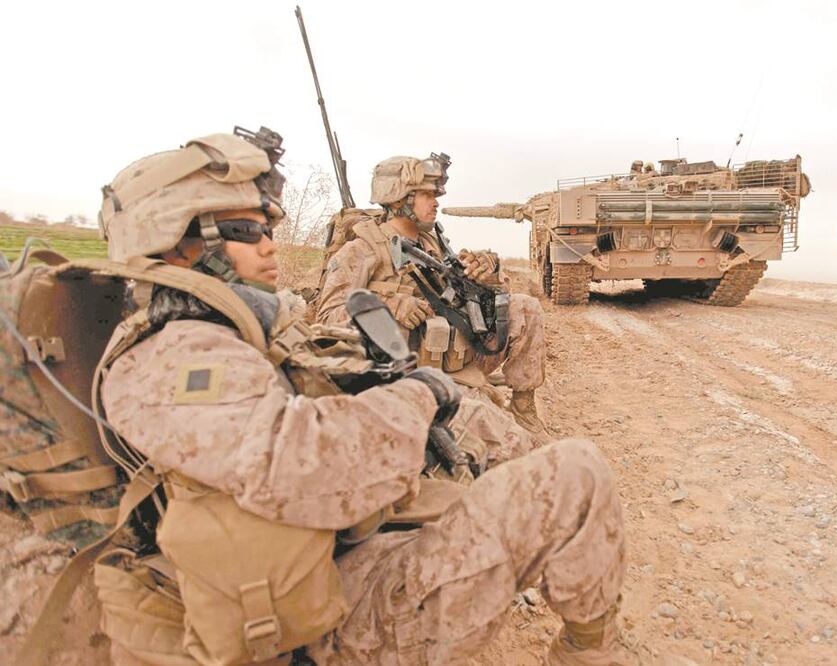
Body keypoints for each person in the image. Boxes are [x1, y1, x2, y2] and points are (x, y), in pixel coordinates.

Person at [90, 129, 630, 666]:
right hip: (325, 617)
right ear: (181, 240)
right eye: (246, 229)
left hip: (327, 550)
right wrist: (412, 392)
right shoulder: (177, 357)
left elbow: (311, 377)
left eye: (268, 227)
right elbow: (310, 461)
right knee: (577, 477)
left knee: (503, 440)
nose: (269, 243)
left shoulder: (219, 329)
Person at [315, 155, 550, 436]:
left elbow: (470, 295)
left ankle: (523, 408)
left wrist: (486, 269)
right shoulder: (362, 249)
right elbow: (327, 321)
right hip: (407, 377)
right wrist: (386, 306)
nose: (436, 201)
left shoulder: (432, 243)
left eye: (436, 194)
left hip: (457, 360)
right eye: (426, 195)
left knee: (525, 307)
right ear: (398, 198)